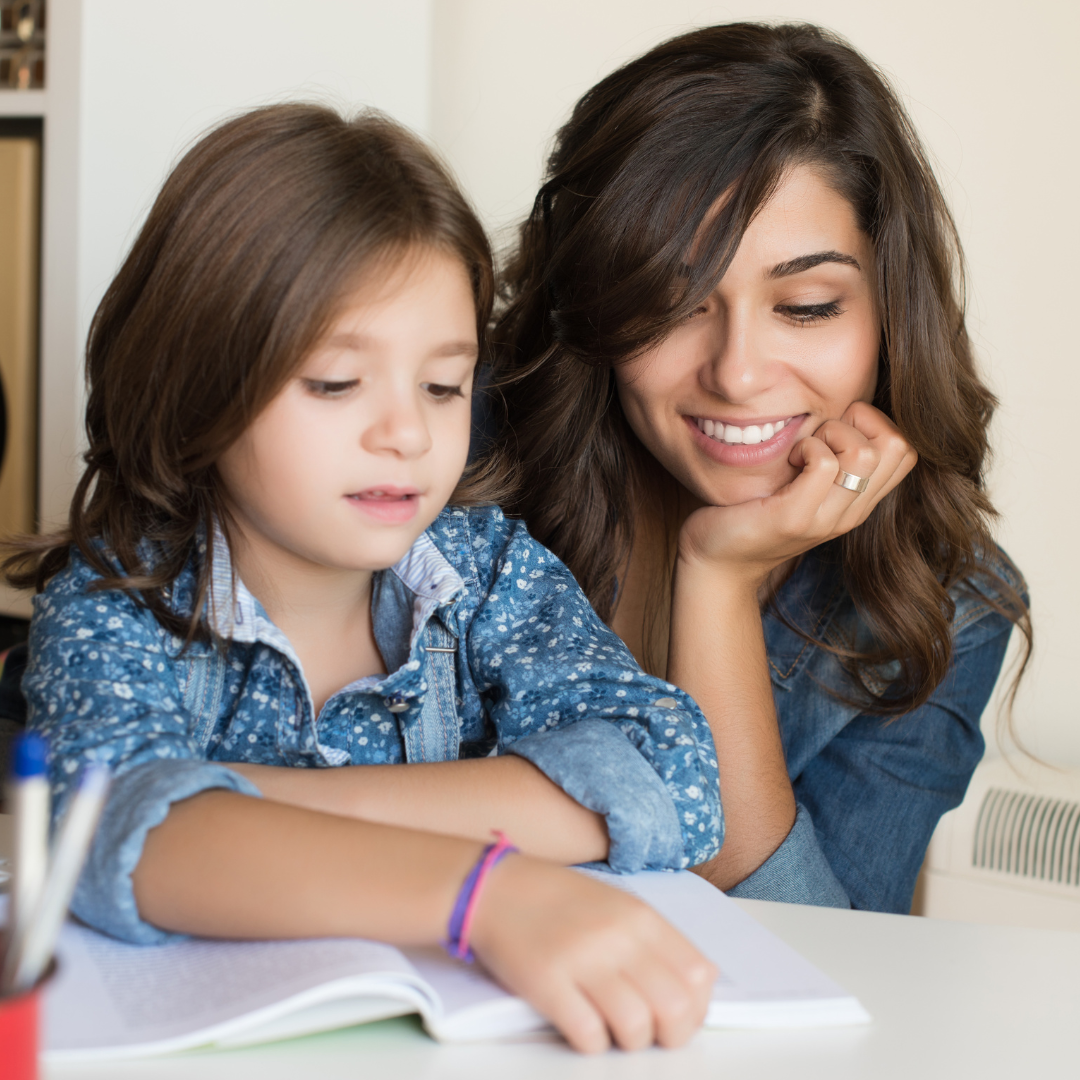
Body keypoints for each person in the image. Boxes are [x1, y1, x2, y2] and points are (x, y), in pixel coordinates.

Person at [1, 104, 722, 1053]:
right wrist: (488, 886)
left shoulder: (488, 569)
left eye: (442, 385)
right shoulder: (116, 603)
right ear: (198, 384)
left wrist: (233, 801)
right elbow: (119, 832)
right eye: (336, 384)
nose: (410, 435)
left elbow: (673, 775)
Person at [492, 22, 1030, 914]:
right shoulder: (445, 466)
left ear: (891, 312)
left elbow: (817, 948)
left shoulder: (949, 603)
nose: (737, 374)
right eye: (671, 304)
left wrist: (715, 578)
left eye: (807, 307)